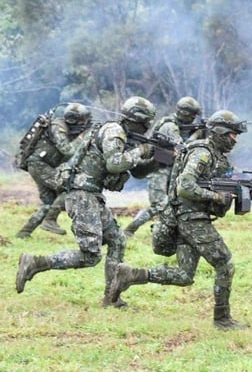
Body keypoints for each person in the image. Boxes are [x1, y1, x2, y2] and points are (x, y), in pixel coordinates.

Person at [107, 110, 252, 330]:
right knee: (225, 264)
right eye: (232, 135)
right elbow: (185, 185)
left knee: (184, 275)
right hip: (191, 219)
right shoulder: (202, 153)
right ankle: (222, 319)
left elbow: (230, 179)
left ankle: (129, 275)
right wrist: (217, 197)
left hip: (186, 218)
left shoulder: (217, 156)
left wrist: (249, 190)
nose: (235, 140)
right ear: (219, 132)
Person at [15, 96, 158, 306]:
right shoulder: (114, 132)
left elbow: (136, 172)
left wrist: (159, 160)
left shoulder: (124, 136)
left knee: (117, 241)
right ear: (140, 120)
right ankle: (35, 262)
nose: (148, 127)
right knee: (90, 255)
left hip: (91, 195)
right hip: (81, 195)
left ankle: (112, 298)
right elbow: (115, 164)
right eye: (147, 122)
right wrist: (142, 150)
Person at [124, 96, 204, 237]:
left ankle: (159, 229)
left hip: (170, 169)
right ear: (185, 113)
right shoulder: (169, 125)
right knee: (159, 204)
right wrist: (196, 135)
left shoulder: (181, 126)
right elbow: (181, 148)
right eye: (192, 115)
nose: (193, 118)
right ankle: (130, 229)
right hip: (158, 169)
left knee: (172, 204)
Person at [15, 102, 91, 238]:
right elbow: (68, 150)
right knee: (70, 186)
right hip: (39, 165)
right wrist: (82, 138)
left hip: (41, 166)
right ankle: (50, 221)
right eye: (82, 120)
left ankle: (24, 233)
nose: (84, 123)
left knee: (49, 203)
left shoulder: (67, 127)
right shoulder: (58, 127)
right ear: (73, 119)